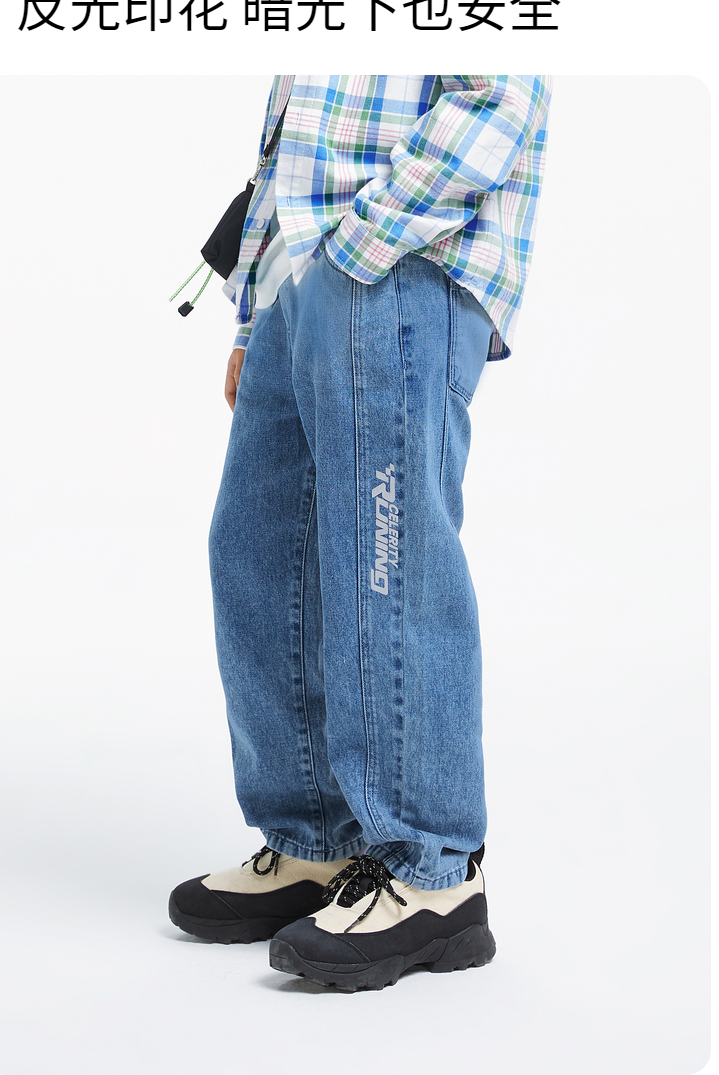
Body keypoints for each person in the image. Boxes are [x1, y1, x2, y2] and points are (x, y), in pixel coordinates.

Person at [169, 75, 552, 992]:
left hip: (400, 264)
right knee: (259, 552)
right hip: (298, 271)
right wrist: (258, 304)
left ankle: (432, 871)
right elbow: (295, 130)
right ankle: (315, 841)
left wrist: (357, 247)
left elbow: (499, 98)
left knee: (390, 564)